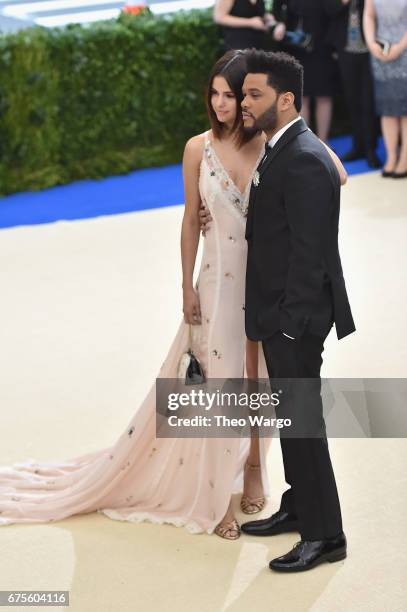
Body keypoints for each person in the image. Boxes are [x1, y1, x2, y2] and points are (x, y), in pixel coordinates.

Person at [0, 50, 271, 540]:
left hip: (262, 283)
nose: (221, 103)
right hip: (214, 285)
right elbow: (191, 219)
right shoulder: (197, 148)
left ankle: (253, 470)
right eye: (214, 94)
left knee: (258, 382)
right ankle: (214, 500)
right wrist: (185, 284)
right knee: (216, 388)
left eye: (230, 94)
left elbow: (330, 170)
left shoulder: (268, 145)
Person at [237, 49, 356, 572]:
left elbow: (311, 255)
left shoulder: (305, 157)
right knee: (293, 420)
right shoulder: (279, 147)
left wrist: (288, 326)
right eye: (243, 94)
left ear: (285, 100)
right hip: (280, 313)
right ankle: (298, 503)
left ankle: (326, 535)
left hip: (297, 320)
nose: (244, 102)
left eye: (254, 94)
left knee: (305, 425)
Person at [325, 0, 381, 168]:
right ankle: (358, 147)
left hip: (370, 50)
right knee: (352, 99)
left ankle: (371, 149)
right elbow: (329, 10)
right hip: (345, 49)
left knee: (368, 102)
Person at [272, 0, 338, 142]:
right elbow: (276, 8)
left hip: (323, 47)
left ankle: (323, 143)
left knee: (324, 96)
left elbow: (334, 12)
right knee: (302, 96)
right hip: (296, 47)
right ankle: (306, 143)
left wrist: (334, 45)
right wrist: (280, 23)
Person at [363, 0, 407, 178]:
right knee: (386, 108)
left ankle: (404, 158)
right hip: (381, 52)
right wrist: (371, 43)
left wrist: (400, 46)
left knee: (405, 109)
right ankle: (391, 156)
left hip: (404, 52)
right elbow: (369, 15)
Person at [214, 0, 286, 51]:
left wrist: (268, 18)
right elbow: (219, 18)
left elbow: (258, 13)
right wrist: (250, 22)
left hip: (260, 44)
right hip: (239, 44)